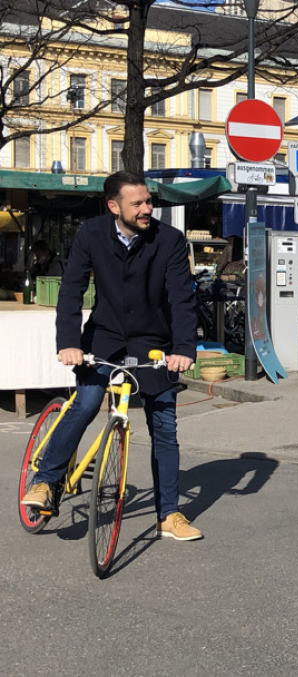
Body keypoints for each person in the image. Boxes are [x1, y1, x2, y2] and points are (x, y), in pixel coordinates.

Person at [21, 170, 203, 541]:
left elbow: (182, 298)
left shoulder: (168, 240)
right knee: (86, 404)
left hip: (155, 343)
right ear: (113, 206)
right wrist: (68, 342)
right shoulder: (90, 233)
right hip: (103, 339)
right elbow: (72, 289)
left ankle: (168, 514)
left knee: (164, 427)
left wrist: (184, 349)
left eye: (148, 201)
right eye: (137, 203)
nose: (146, 209)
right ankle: (45, 480)